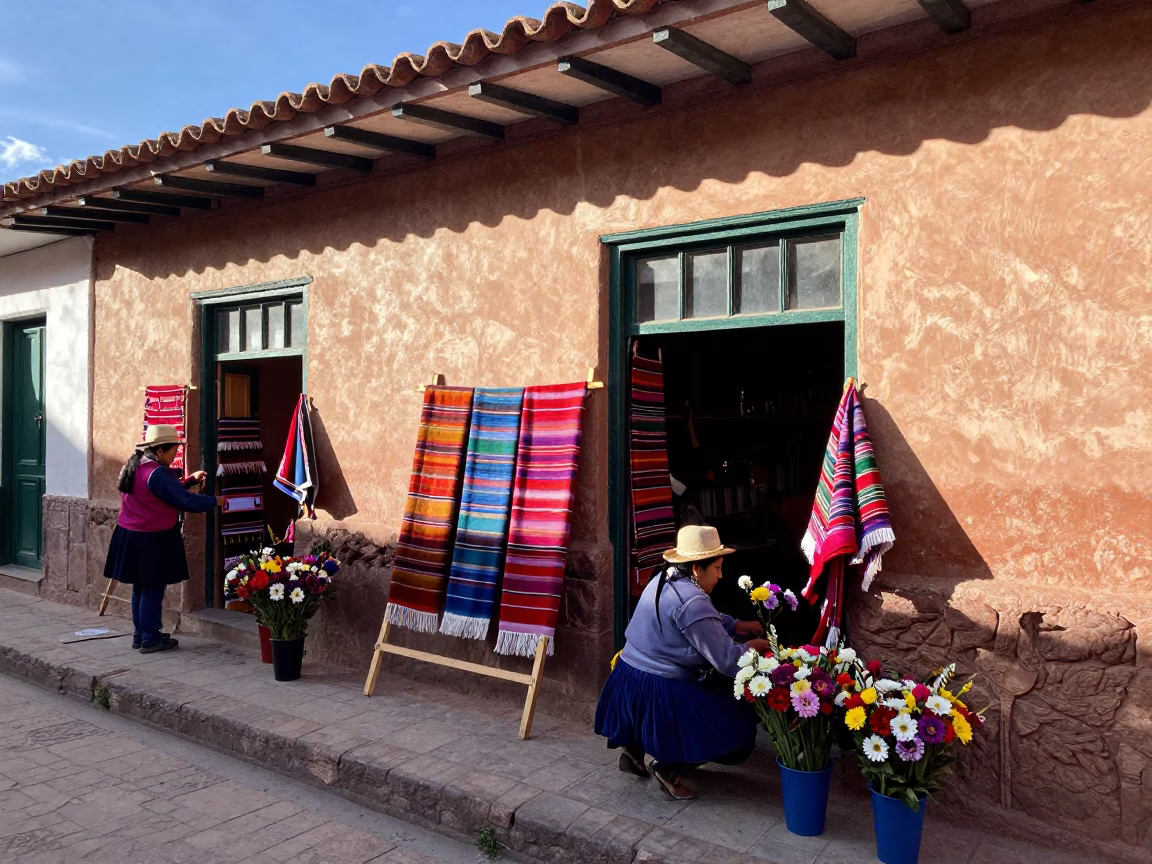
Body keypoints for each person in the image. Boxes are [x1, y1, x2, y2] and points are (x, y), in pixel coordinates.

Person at [595, 525, 771, 800]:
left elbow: (700, 621)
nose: (721, 574)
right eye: (717, 567)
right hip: (657, 687)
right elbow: (728, 661)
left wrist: (736, 625)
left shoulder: (663, 577)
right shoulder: (693, 600)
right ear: (697, 569)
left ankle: (632, 753)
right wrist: (754, 647)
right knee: (737, 723)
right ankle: (670, 768)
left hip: (627, 677)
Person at [104, 424, 221, 653]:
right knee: (153, 587)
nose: (176, 453)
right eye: (173, 450)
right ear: (159, 451)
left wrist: (187, 482)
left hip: (131, 534)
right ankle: (150, 638)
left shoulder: (136, 465)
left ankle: (141, 634)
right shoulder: (156, 474)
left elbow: (166, 492)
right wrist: (216, 501)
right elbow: (183, 501)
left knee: (141, 586)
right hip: (151, 538)